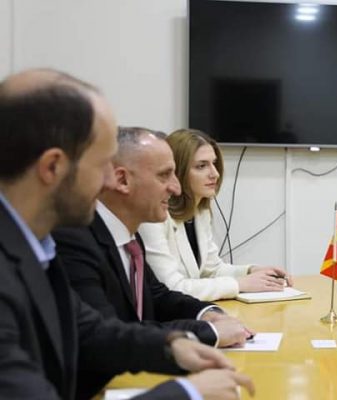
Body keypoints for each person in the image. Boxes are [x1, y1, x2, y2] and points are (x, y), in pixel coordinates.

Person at [0, 68, 254, 399]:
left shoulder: (33, 244)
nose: (111, 182)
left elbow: (88, 329)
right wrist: (187, 393)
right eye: (102, 165)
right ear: (53, 167)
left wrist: (172, 347)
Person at [52, 126, 253, 397]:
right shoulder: (75, 239)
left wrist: (207, 313)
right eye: (164, 175)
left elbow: (157, 295)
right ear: (122, 180)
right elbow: (106, 334)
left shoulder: (128, 234)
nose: (176, 187)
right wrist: (206, 332)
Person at [138, 129, 292, 301]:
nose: (215, 174)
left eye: (214, 163)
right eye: (201, 166)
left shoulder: (200, 212)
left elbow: (212, 270)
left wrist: (251, 271)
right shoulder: (152, 218)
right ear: (177, 172)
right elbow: (171, 287)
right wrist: (239, 284)